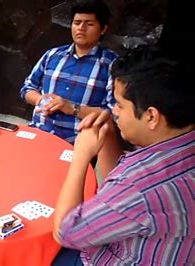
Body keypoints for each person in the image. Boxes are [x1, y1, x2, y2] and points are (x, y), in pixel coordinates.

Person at [52, 46, 194, 265]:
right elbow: (118, 187)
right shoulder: (179, 147)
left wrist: (80, 156)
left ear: (151, 116)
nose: (114, 111)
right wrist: (108, 133)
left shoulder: (138, 186)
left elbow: (66, 232)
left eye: (119, 104)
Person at [20, 0, 118, 144]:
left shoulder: (112, 64)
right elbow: (27, 88)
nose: (81, 28)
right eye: (77, 23)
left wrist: (72, 108)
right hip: (39, 132)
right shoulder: (52, 55)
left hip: (78, 143)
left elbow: (115, 112)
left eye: (89, 24)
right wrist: (42, 100)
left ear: (103, 29)